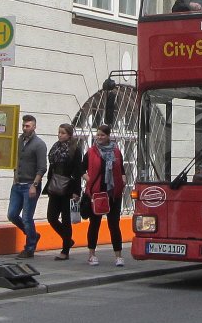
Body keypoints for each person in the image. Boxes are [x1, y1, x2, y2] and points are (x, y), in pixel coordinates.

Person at [82, 124, 126, 266]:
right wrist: (87, 179)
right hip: (97, 194)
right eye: (98, 135)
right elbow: (81, 169)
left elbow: (122, 170)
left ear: (108, 136)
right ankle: (91, 254)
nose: (99, 137)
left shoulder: (117, 152)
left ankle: (118, 256)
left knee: (114, 225)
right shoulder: (91, 152)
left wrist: (123, 179)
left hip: (113, 194)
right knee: (95, 224)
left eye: (102, 135)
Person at [9, 114, 48, 259]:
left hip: (31, 185)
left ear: (34, 127)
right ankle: (33, 235)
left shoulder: (39, 144)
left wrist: (35, 185)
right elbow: (15, 160)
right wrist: (15, 177)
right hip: (18, 184)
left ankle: (29, 247)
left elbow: (42, 168)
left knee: (26, 217)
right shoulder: (19, 141)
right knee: (12, 214)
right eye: (24, 125)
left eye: (28, 126)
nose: (25, 128)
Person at [45, 123, 83, 261]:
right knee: (51, 217)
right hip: (55, 185)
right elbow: (51, 168)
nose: (60, 135)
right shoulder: (55, 147)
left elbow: (78, 171)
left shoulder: (75, 149)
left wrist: (76, 191)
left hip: (68, 187)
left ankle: (65, 249)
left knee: (66, 219)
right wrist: (49, 185)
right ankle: (68, 239)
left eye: (63, 133)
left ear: (69, 135)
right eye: (59, 132)